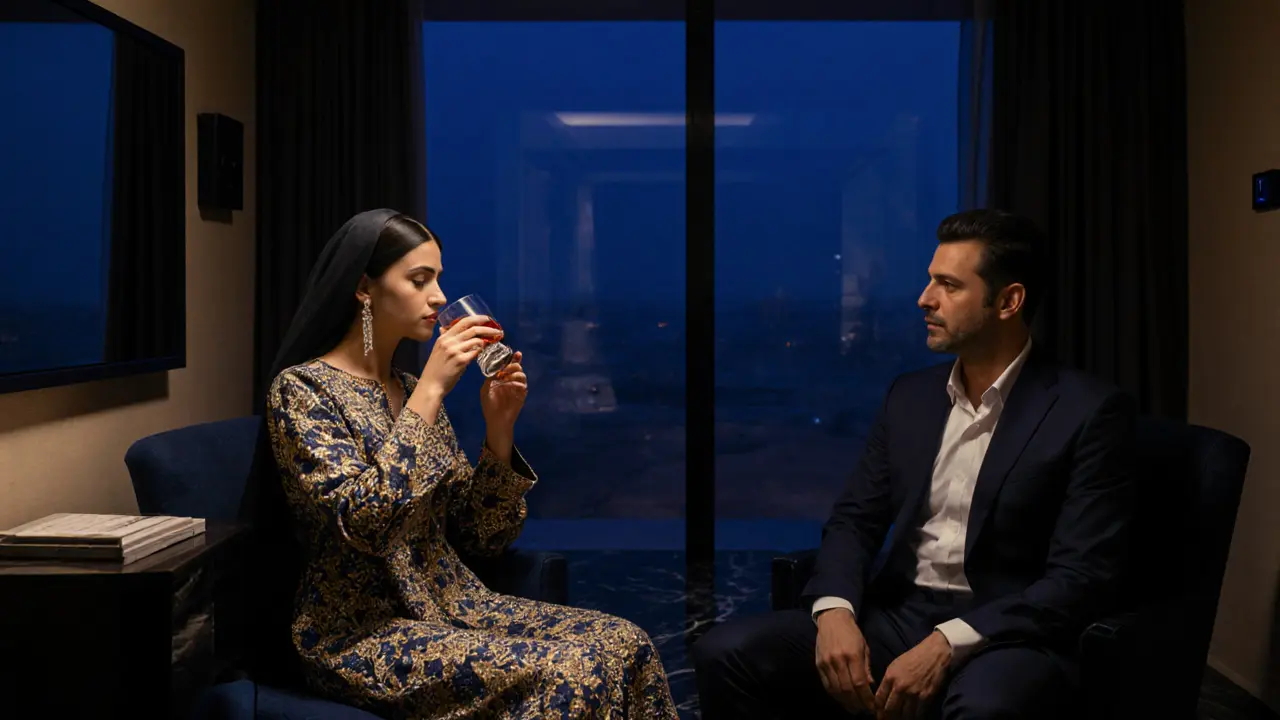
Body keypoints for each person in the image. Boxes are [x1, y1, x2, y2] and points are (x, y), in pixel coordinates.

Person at [692, 209, 1137, 720]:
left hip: (1006, 632)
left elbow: (1081, 577)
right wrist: (834, 611)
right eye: (930, 280)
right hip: (898, 614)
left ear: (1008, 302)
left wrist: (948, 642)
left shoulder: (1088, 411)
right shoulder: (910, 397)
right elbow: (854, 520)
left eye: (949, 285)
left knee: (984, 708)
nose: (925, 298)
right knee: (724, 652)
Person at [263, 209, 679, 719]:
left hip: (454, 605)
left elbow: (483, 536)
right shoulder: (303, 390)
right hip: (359, 631)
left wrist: (499, 430)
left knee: (628, 643)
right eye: (420, 280)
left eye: (438, 279)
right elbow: (364, 525)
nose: (439, 297)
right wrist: (431, 391)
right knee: (574, 669)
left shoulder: (409, 390)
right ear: (364, 288)